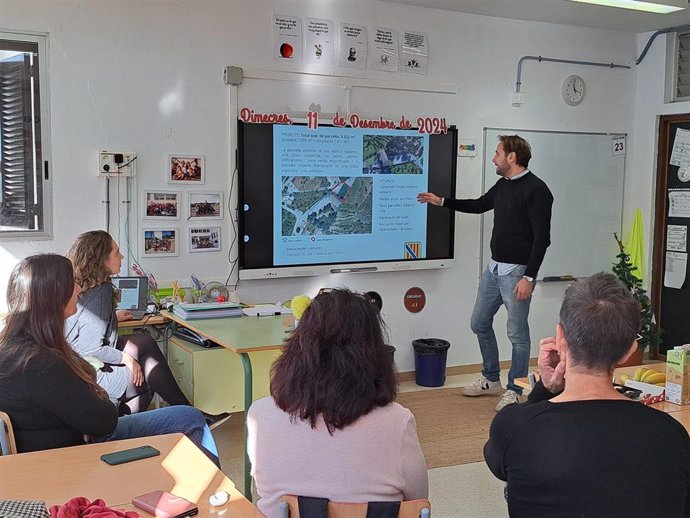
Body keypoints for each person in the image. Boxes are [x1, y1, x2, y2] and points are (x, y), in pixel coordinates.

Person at [484, 273, 690, 517]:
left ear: (560, 338)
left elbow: (501, 463)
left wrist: (544, 390)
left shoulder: (513, 425)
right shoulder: (671, 434)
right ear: (629, 352)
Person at [0, 254, 220, 465]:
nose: (78, 289)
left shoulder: (12, 348)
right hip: (77, 452)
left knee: (143, 346)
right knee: (190, 418)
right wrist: (96, 391)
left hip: (47, 450)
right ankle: (216, 500)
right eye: (72, 284)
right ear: (54, 297)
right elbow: (104, 421)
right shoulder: (43, 363)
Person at [247, 288, 428, 518]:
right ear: (373, 353)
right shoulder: (398, 422)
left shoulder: (260, 415)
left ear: (298, 348)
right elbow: (418, 503)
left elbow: (260, 492)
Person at [417, 135, 553, 411]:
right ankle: (491, 378)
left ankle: (515, 388)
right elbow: (479, 205)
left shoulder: (538, 190)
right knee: (479, 322)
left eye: (497, 153)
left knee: (518, 335)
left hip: (517, 273)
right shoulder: (503, 185)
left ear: (512, 157)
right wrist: (442, 201)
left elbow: (542, 238)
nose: (494, 158)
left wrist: (530, 276)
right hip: (494, 269)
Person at [65, 230, 229, 427]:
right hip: (89, 370)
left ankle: (193, 415)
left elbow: (83, 326)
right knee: (147, 376)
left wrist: (111, 317)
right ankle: (115, 428)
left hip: (76, 364)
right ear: (101, 259)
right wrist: (127, 359)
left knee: (145, 343)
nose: (122, 256)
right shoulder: (100, 292)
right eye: (117, 253)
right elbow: (91, 348)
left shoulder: (81, 287)